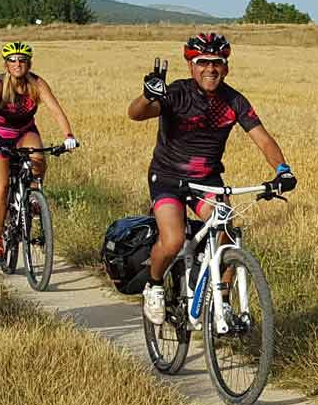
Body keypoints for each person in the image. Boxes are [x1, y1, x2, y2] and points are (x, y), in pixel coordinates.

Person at [127, 32, 297, 325]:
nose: (210, 69)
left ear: (226, 67)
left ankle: (223, 304)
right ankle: (154, 285)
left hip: (207, 180)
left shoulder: (234, 101)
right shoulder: (177, 93)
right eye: (202, 62)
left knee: (227, 236)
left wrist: (282, 170)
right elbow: (137, 115)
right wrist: (148, 96)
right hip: (168, 178)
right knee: (174, 239)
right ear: (191, 66)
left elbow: (263, 139)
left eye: (217, 62)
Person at [0, 41, 78, 262]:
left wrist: (68, 135)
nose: (17, 64)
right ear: (6, 64)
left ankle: (33, 195)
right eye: (12, 60)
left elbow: (54, 108)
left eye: (22, 60)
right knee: (1, 188)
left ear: (29, 63)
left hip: (24, 131)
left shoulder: (37, 83)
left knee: (39, 158)